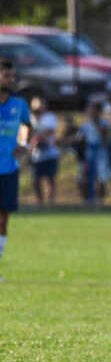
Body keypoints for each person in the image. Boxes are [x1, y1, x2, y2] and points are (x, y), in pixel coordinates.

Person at [0, 60, 31, 275]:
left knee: (3, 219)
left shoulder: (19, 104)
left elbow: (26, 125)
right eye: (6, 76)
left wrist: (23, 143)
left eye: (12, 77)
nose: (10, 80)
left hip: (8, 169)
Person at [29, 96, 59, 205]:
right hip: (36, 154)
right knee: (35, 179)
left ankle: (50, 202)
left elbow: (49, 131)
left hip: (50, 152)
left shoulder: (49, 117)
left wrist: (37, 139)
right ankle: (40, 202)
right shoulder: (30, 118)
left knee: (50, 178)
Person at [78, 103, 110, 205]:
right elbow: (79, 138)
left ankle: (101, 200)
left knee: (101, 178)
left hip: (101, 153)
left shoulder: (104, 124)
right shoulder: (85, 125)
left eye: (93, 111)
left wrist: (96, 124)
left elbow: (105, 138)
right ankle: (88, 199)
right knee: (85, 177)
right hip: (89, 153)